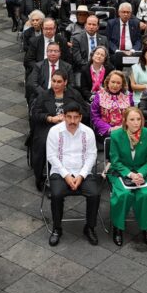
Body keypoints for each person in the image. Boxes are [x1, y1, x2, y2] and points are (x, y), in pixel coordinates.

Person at [45, 102, 100, 247]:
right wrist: (66, 175)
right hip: (60, 172)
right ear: (64, 116)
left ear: (80, 117)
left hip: (83, 172)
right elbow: (51, 156)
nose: (72, 121)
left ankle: (90, 227)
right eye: (69, 117)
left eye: (76, 117)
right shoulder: (54, 131)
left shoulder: (88, 132)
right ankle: (57, 228)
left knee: (94, 194)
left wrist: (81, 176)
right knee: (56, 195)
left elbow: (92, 156)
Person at [107, 106, 147, 248]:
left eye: (138, 119)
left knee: (144, 194)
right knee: (124, 194)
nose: (136, 123)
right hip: (121, 172)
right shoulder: (116, 136)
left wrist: (140, 174)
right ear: (125, 121)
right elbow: (115, 161)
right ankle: (118, 228)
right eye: (132, 119)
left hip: (142, 174)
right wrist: (130, 174)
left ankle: (146, 228)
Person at [89, 70, 133, 137]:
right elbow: (95, 117)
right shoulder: (100, 95)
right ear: (108, 82)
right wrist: (109, 129)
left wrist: (123, 127)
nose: (115, 85)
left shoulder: (128, 96)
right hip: (105, 131)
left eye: (118, 83)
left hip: (124, 130)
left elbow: (131, 116)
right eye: (113, 82)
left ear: (122, 85)